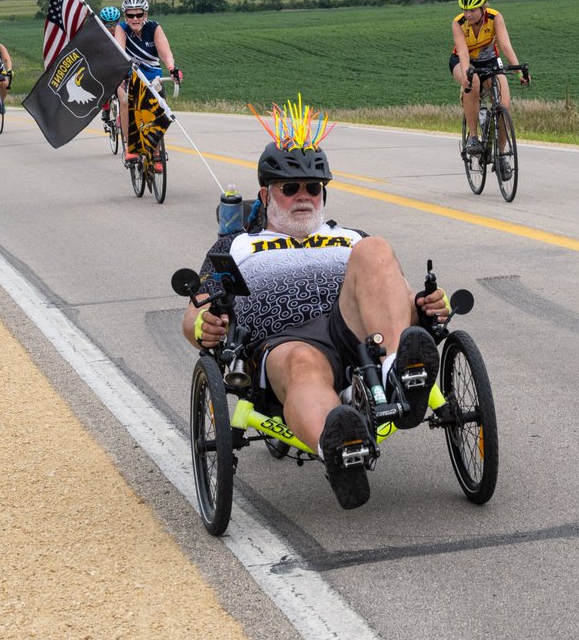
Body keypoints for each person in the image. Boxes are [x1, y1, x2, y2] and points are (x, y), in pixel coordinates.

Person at [181, 107, 448, 510]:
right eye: (290, 188)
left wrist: (424, 305)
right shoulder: (234, 245)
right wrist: (204, 325)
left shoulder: (350, 237)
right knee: (303, 362)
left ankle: (399, 377)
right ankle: (339, 448)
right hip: (283, 344)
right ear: (266, 194)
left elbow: (399, 301)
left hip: (355, 336)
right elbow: (194, 314)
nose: (303, 195)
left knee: (375, 248)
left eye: (313, 186)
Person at [450, 0, 528, 181]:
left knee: (503, 105)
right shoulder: (458, 23)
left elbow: (505, 44)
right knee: (472, 82)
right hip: (462, 60)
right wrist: (468, 72)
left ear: (483, 7)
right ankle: (473, 137)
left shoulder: (495, 17)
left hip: (490, 61)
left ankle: (501, 155)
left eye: (472, 10)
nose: (468, 15)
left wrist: (519, 71)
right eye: (465, 10)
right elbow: (463, 51)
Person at [114, 0, 182, 164]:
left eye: (139, 14)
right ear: (125, 17)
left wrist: (172, 68)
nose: (135, 18)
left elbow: (165, 52)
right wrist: (122, 72)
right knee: (124, 101)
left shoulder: (154, 27)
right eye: (130, 15)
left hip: (152, 75)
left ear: (145, 15)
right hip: (129, 74)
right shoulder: (121, 29)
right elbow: (119, 51)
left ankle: (157, 153)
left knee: (158, 109)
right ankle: (130, 146)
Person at [97, 6, 122, 126]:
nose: (112, 28)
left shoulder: (122, 33)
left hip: (120, 64)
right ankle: (105, 109)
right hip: (106, 63)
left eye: (114, 25)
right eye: (108, 25)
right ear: (103, 24)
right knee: (104, 82)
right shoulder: (100, 35)